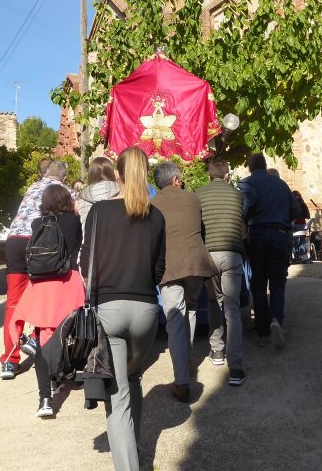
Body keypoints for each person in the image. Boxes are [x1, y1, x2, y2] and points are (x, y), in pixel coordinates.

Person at [81, 146, 166, 471]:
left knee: (117, 398)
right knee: (132, 378)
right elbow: (160, 268)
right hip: (145, 310)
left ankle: (129, 464)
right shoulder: (156, 216)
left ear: (117, 175)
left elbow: (86, 261)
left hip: (109, 310)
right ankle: (136, 448)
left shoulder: (100, 211)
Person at [10, 184, 86, 418]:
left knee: (44, 339)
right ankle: (64, 374)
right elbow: (78, 248)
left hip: (42, 286)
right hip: (68, 282)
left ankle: (45, 397)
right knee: (71, 334)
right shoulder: (74, 221)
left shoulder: (37, 224)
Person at [151, 161, 217, 403]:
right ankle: (187, 359)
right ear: (176, 180)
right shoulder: (193, 198)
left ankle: (182, 381)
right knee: (189, 308)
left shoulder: (152, 204)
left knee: (175, 321)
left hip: (169, 268)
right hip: (196, 264)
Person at [0, 159, 67, 380]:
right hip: (38, 243)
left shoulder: (32, 187)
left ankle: (9, 360)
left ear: (45, 173)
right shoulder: (62, 190)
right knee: (44, 295)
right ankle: (34, 339)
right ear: (64, 177)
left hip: (14, 240)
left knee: (13, 302)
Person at [238, 154, 300, 349]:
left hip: (258, 235)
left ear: (249, 167)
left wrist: (247, 219)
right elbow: (296, 210)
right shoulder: (281, 185)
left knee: (258, 283)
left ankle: (263, 331)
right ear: (265, 166)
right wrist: (281, 218)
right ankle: (276, 320)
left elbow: (247, 206)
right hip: (280, 235)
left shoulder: (247, 183)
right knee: (277, 282)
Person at [195, 159, 247, 386]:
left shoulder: (198, 194)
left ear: (209, 175)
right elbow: (242, 226)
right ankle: (235, 369)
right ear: (227, 176)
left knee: (213, 301)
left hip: (208, 254)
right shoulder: (237, 195)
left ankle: (217, 351)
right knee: (232, 308)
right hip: (232, 253)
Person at [76, 156, 121, 231]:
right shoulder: (120, 192)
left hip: (90, 241)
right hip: (116, 240)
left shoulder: (82, 198)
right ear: (111, 172)